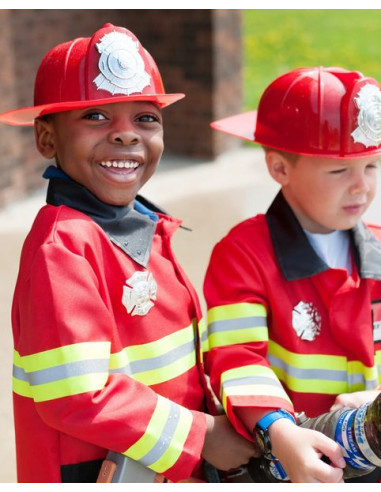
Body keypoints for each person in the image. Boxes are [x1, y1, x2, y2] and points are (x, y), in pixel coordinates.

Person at [0, 23, 255, 483]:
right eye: (96, 117)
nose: (125, 135)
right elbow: (76, 395)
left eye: (146, 118)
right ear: (46, 139)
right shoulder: (64, 248)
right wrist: (202, 437)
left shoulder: (143, 227)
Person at [203, 66, 381, 483]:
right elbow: (237, 358)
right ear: (280, 168)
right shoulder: (242, 254)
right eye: (340, 171)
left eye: (371, 166)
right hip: (288, 459)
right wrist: (280, 432)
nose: (361, 187)